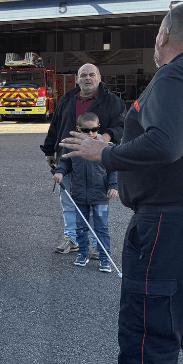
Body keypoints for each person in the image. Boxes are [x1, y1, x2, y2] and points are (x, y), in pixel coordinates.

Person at [59, 2, 183, 364]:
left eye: (157, 37)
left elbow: (166, 144)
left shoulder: (178, 75)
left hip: (172, 228)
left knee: (149, 342)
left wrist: (106, 153)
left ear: (165, 34)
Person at [41, 63, 125, 255]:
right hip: (69, 158)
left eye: (92, 75)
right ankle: (72, 239)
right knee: (69, 202)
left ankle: (97, 245)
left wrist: (105, 138)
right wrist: (49, 151)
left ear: (99, 78)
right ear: (77, 79)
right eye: (83, 75)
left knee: (96, 203)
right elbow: (55, 126)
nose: (88, 78)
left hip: (97, 162)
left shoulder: (112, 102)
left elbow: (120, 126)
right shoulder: (67, 99)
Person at [52, 112, 118, 273]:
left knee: (101, 227)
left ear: (98, 127)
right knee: (81, 228)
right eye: (86, 131)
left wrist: (114, 186)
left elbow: (113, 169)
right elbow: (65, 163)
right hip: (79, 195)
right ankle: (82, 254)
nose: (90, 134)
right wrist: (60, 172)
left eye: (94, 130)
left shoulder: (105, 147)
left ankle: (104, 258)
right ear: (78, 129)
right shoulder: (72, 145)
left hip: (100, 195)